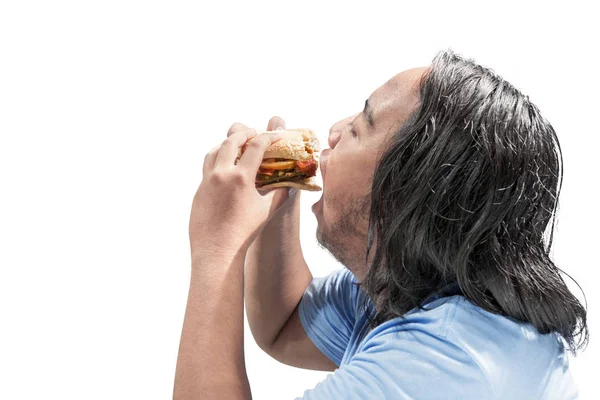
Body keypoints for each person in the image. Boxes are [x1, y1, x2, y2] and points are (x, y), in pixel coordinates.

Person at [173, 50, 588, 399]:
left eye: (358, 127)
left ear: (405, 192)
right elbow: (284, 324)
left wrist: (216, 245)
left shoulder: (445, 360)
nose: (333, 132)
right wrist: (282, 199)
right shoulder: (417, 285)